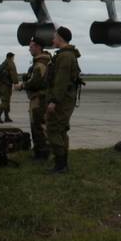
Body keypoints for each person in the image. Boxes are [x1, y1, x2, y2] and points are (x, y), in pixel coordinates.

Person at [45, 26, 82, 174]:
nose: (52, 40)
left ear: (60, 38)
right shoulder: (65, 55)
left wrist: (54, 101)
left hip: (62, 100)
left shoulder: (65, 57)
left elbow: (61, 81)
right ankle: (62, 165)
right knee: (61, 130)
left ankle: (60, 165)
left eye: (54, 37)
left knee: (54, 129)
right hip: (65, 99)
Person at [19, 38, 52, 160]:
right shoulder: (42, 62)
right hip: (38, 98)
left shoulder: (41, 63)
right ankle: (39, 150)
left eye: (31, 46)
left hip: (39, 98)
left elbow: (36, 82)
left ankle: (42, 153)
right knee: (38, 125)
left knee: (38, 126)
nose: (29, 49)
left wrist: (22, 85)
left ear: (38, 47)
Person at [0, 52, 20, 123]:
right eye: (13, 57)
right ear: (11, 57)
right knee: (5, 101)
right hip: (6, 85)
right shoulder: (10, 63)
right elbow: (13, 73)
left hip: (1, 85)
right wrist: (16, 83)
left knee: (6, 100)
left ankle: (6, 117)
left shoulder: (3, 64)